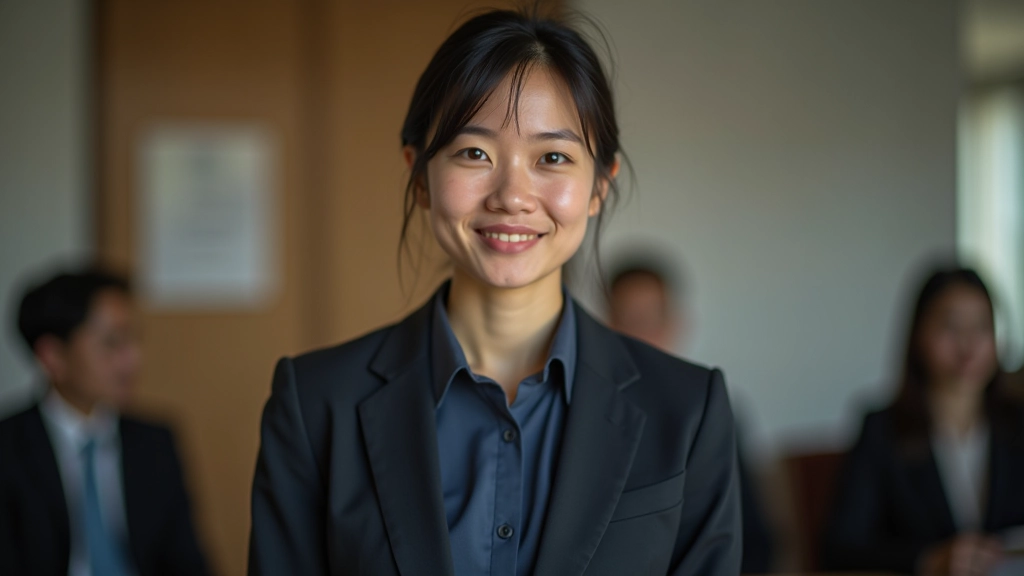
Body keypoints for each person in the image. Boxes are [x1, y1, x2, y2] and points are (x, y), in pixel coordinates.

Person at [248, 8, 741, 576]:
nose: (512, 195)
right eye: (473, 153)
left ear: (599, 186)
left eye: (552, 157)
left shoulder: (687, 411)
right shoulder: (313, 406)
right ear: (420, 178)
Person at [0, 267, 210, 576]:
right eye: (112, 343)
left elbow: (188, 563)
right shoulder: (8, 448)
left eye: (134, 340)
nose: (133, 359)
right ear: (53, 356)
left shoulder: (155, 442)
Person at [822, 266, 1024, 575]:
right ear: (918, 335)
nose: (968, 346)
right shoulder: (882, 429)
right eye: (951, 327)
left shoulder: (1017, 424)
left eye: (982, 327)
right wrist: (929, 561)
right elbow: (840, 549)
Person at [607, 259, 775, 573]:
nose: (643, 335)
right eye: (631, 320)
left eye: (653, 319)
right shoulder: (587, 417)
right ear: (606, 325)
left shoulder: (709, 410)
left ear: (676, 323)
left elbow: (753, 538)